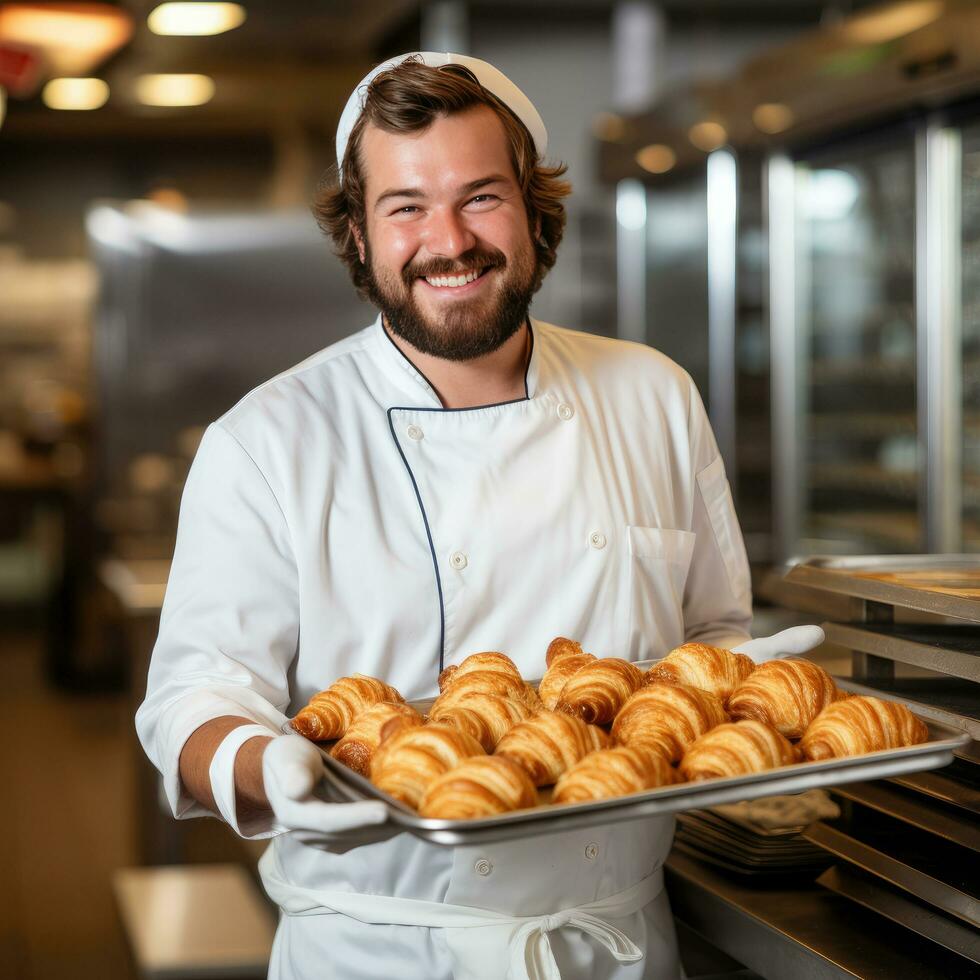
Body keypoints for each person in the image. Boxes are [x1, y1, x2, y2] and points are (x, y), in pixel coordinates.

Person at [136, 52, 823, 980]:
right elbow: (193, 698)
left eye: (481, 196)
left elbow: (711, 634)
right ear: (361, 233)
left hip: (617, 942)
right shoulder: (267, 440)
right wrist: (273, 768)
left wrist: (735, 688)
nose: (448, 241)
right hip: (380, 952)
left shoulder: (653, 395)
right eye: (405, 206)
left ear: (536, 210)